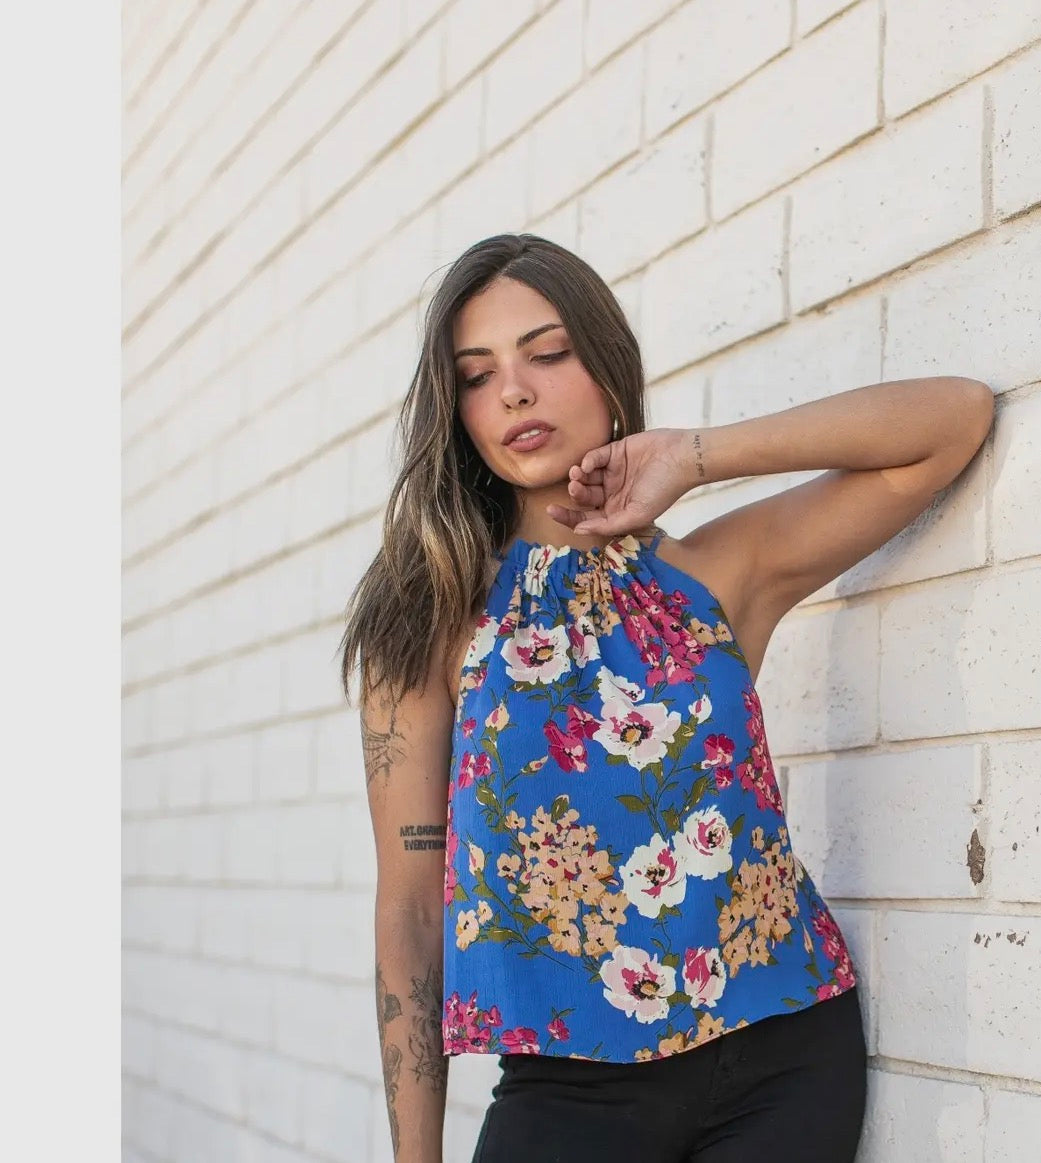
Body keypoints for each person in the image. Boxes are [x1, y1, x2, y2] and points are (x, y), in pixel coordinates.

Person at [340, 233, 994, 1163]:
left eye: (548, 353)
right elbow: (410, 909)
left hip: (787, 1057)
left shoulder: (710, 576)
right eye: (478, 375)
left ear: (608, 367)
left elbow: (952, 421)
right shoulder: (430, 618)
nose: (515, 391)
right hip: (568, 1091)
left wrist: (694, 455)